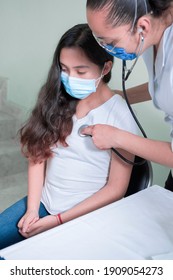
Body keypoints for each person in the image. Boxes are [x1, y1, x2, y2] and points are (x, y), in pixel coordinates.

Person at [0, 23, 138, 250]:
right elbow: (37, 155)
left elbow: (116, 189)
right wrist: (33, 209)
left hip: (83, 216)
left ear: (105, 68)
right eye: (64, 69)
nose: (70, 78)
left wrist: (59, 220)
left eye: (80, 71)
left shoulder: (120, 115)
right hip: (44, 204)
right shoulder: (57, 99)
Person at [84, 0, 173, 190]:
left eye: (111, 42)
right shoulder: (153, 36)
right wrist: (120, 95)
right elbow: (163, 87)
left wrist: (117, 138)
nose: (107, 49)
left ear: (143, 26)